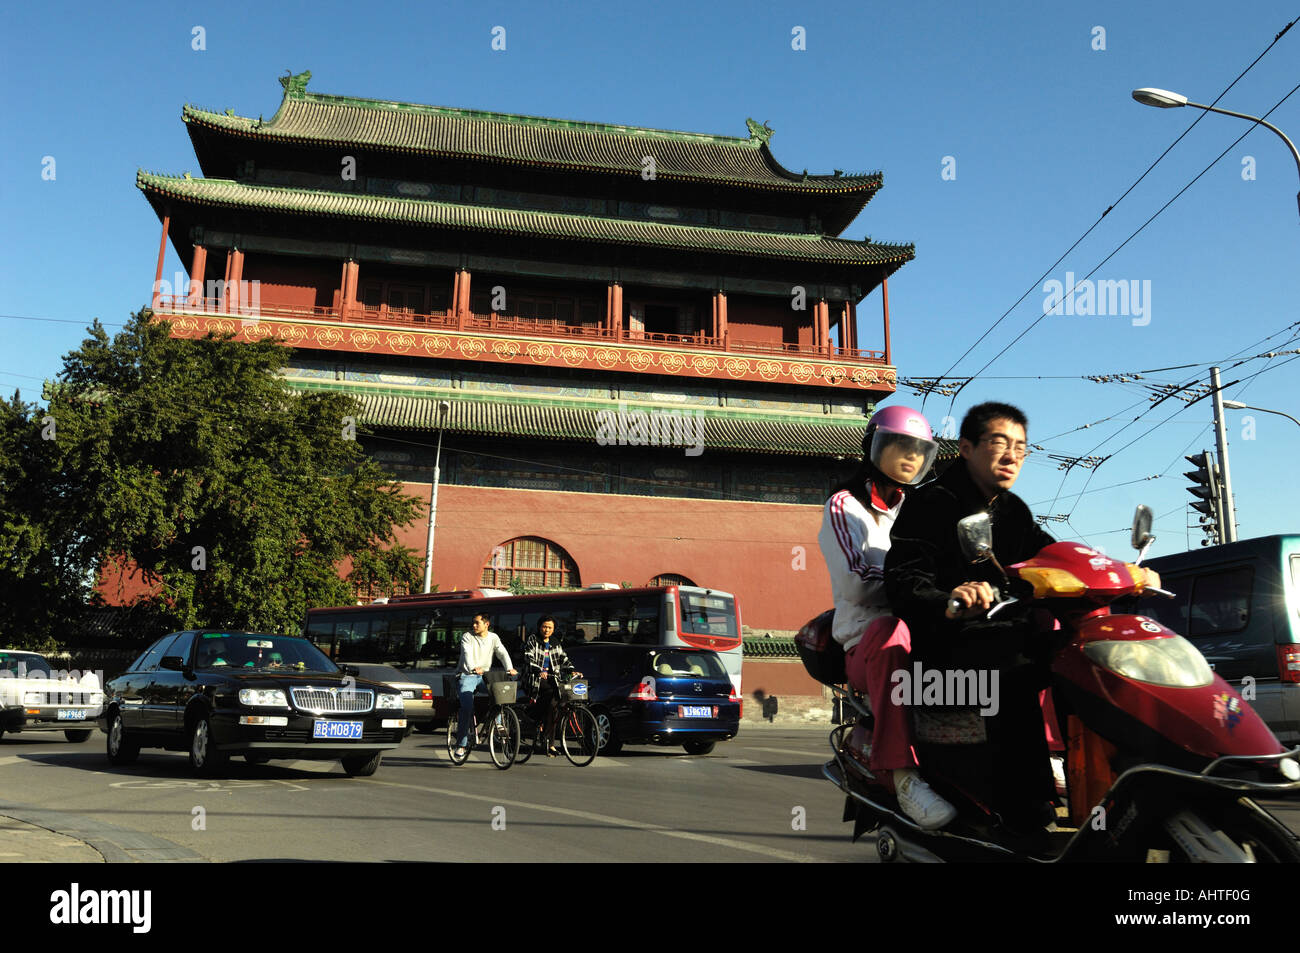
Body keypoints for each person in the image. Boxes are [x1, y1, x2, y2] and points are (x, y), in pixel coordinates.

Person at [884, 401, 1059, 835]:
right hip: (946, 647)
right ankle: (1023, 813)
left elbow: (1050, 554)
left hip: (1005, 634)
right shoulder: (931, 503)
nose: (1012, 455)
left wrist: (1116, 571)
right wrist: (949, 597)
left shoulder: (1014, 510)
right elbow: (903, 577)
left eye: (1021, 447)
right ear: (965, 447)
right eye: (999, 443)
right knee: (1013, 672)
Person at [817, 404, 956, 830]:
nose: (910, 457)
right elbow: (858, 582)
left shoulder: (921, 510)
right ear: (873, 448)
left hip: (927, 636)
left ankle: (1045, 756)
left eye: (919, 450)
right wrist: (918, 589)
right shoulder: (845, 507)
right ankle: (903, 776)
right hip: (868, 643)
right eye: (899, 445)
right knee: (890, 629)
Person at [454, 613, 517, 758]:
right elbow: (467, 654)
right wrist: (474, 667)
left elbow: (502, 652)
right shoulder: (467, 636)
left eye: (477, 623)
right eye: (473, 623)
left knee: (499, 693)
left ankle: (498, 725)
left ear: (486, 624)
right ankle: (461, 745)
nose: (474, 625)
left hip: (484, 676)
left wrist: (510, 668)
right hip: (467, 675)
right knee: (467, 707)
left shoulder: (493, 638)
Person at [522, 616, 583, 756]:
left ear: (554, 629)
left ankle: (550, 743)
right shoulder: (533, 639)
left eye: (550, 627)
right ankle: (536, 716)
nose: (547, 630)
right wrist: (538, 670)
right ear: (539, 627)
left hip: (552, 678)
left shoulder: (555, 642)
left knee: (555, 710)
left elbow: (564, 659)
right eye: (544, 627)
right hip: (534, 678)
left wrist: (571, 669)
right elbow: (528, 657)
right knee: (550, 694)